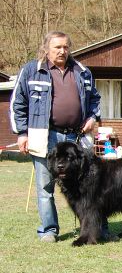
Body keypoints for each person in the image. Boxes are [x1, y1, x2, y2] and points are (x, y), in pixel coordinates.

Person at [9, 31, 103, 243]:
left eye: (66, 47)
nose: (62, 51)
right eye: (57, 47)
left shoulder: (82, 71)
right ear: (46, 48)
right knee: (45, 187)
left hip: (78, 138)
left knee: (91, 186)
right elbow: (18, 104)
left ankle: (95, 229)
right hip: (45, 136)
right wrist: (22, 133)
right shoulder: (31, 71)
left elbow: (95, 99)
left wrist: (92, 117)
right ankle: (49, 230)